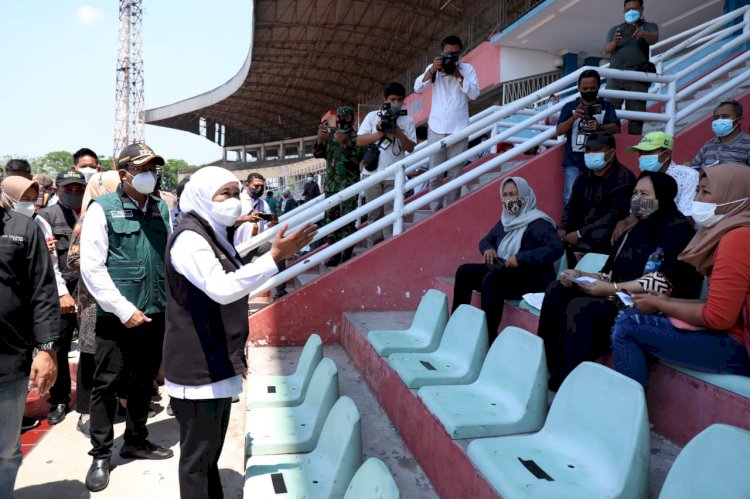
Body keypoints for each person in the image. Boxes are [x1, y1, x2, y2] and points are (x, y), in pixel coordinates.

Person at [164, 166, 316, 499]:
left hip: (215, 360)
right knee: (197, 460)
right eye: (225, 194)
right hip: (197, 367)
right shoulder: (190, 239)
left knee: (208, 457)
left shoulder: (213, 232)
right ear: (203, 197)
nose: (233, 202)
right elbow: (221, 288)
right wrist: (274, 258)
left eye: (236, 193)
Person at [539, 171, 703, 389]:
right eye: (635, 192)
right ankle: (546, 369)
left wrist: (613, 288)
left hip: (648, 303)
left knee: (582, 307)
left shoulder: (678, 229)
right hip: (616, 293)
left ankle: (568, 384)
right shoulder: (634, 229)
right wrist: (581, 275)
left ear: (662, 197)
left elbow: (664, 281)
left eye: (644, 193)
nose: (636, 198)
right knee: (557, 290)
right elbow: (610, 273)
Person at [80, 143, 174, 492]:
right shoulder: (102, 209)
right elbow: (92, 267)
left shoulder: (161, 208)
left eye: (153, 167)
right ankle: (101, 453)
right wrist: (124, 310)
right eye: (143, 167)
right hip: (116, 315)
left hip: (155, 311)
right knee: (106, 383)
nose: (150, 173)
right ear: (124, 174)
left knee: (144, 380)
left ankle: (136, 438)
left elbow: (168, 257)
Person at [611, 164, 750, 387]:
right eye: (697, 191)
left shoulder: (737, 238)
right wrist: (668, 302)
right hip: (734, 335)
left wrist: (661, 303)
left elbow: (718, 318)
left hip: (739, 345)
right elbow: (725, 306)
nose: (697, 199)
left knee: (628, 324)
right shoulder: (732, 232)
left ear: (733, 196)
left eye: (706, 192)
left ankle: (628, 414)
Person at [0, 176, 60, 498]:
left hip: (9, 363)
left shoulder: (24, 229)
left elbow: (43, 293)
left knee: (6, 451)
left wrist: (46, 349)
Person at [452, 177, 564, 339]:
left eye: (513, 194)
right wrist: (488, 249)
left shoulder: (538, 222)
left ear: (524, 195)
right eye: (505, 195)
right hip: (508, 273)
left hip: (533, 279)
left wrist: (521, 258)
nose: (508, 199)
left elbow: (556, 248)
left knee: (493, 279)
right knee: (465, 272)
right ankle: (457, 327)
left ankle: (487, 338)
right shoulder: (507, 220)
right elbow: (486, 240)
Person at [67, 171, 122, 437]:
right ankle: (87, 410)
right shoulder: (90, 216)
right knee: (91, 355)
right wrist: (103, 260)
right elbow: (72, 259)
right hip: (92, 302)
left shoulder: (124, 212)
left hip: (119, 296)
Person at [35, 170, 87, 425]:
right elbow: (48, 261)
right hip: (63, 289)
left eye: (79, 188)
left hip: (88, 289)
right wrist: (61, 293)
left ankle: (88, 400)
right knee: (61, 346)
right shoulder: (46, 217)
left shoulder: (91, 212)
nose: (75, 193)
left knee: (90, 345)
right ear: (56, 190)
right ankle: (59, 400)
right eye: (69, 189)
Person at [414, 35, 480, 212]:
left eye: (455, 54)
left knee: (455, 175)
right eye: (448, 54)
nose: (451, 57)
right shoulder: (434, 67)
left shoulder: (467, 69)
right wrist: (432, 70)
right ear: (442, 52)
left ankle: (451, 210)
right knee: (434, 175)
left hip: (459, 130)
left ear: (460, 53)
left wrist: (458, 75)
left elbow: (474, 94)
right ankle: (436, 210)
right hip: (436, 129)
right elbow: (417, 88)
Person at [357, 82, 417, 246]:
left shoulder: (408, 121)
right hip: (372, 174)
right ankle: (373, 250)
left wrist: (397, 132)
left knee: (391, 214)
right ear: (385, 100)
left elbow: (410, 147)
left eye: (399, 99)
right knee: (373, 216)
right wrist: (380, 133)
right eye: (392, 99)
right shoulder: (372, 116)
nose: (395, 103)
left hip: (394, 176)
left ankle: (391, 247)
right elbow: (360, 140)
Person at [612, 131, 699, 241]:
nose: (642, 157)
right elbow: (634, 213)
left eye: (648, 153)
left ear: (666, 154)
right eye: (641, 153)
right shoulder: (645, 177)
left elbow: (687, 219)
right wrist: (623, 223)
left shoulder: (688, 176)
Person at [559, 132, 635, 255]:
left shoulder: (624, 178)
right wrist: (563, 227)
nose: (591, 154)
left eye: (597, 150)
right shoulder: (583, 177)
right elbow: (572, 205)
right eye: (588, 150)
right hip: (580, 230)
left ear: (611, 152)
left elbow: (614, 216)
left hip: (605, 233)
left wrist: (580, 233)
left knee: (599, 235)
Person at [556, 70, 620, 204]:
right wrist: (573, 118)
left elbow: (616, 127)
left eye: (592, 88)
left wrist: (600, 127)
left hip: (600, 160)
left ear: (598, 87)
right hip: (573, 160)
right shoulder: (569, 107)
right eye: (585, 88)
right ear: (579, 88)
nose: (589, 91)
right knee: (570, 196)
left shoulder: (607, 106)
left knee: (599, 196)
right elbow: (559, 131)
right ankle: (569, 225)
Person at [314, 106, 363, 267]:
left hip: (348, 187)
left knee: (347, 220)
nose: (342, 121)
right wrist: (320, 140)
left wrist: (346, 144)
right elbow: (318, 154)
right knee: (331, 221)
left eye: (346, 118)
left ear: (352, 120)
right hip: (331, 187)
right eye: (339, 117)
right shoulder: (331, 139)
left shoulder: (357, 138)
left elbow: (357, 158)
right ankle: (333, 253)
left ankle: (346, 253)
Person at [604, 0, 659, 135]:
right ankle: (610, 141)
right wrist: (615, 41)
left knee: (636, 115)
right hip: (615, 77)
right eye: (628, 9)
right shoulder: (615, 29)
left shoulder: (649, 26)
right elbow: (606, 49)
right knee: (609, 113)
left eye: (634, 8)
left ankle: (633, 142)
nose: (631, 11)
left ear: (642, 9)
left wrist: (644, 34)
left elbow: (654, 39)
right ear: (623, 11)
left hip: (637, 77)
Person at [692, 100, 750, 169]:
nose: (719, 120)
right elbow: (694, 165)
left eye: (725, 116)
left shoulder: (748, 144)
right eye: (716, 118)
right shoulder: (709, 145)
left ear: (738, 120)